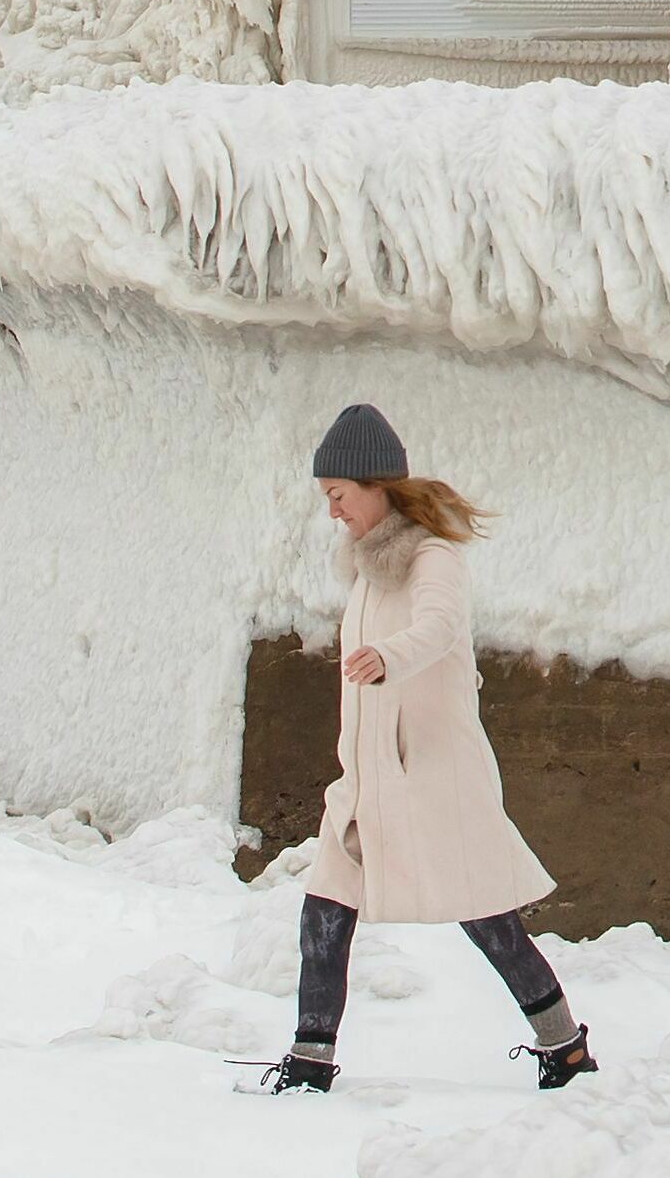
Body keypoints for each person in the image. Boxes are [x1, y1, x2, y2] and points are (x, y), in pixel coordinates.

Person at [255, 403, 595, 1095]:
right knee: (324, 908)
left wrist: (390, 655)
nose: (333, 512)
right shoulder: (366, 570)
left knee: (487, 918)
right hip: (367, 780)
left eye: (337, 496)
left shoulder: (431, 558)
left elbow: (440, 628)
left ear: (374, 485)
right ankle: (309, 1061)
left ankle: (565, 1048)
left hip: (432, 777)